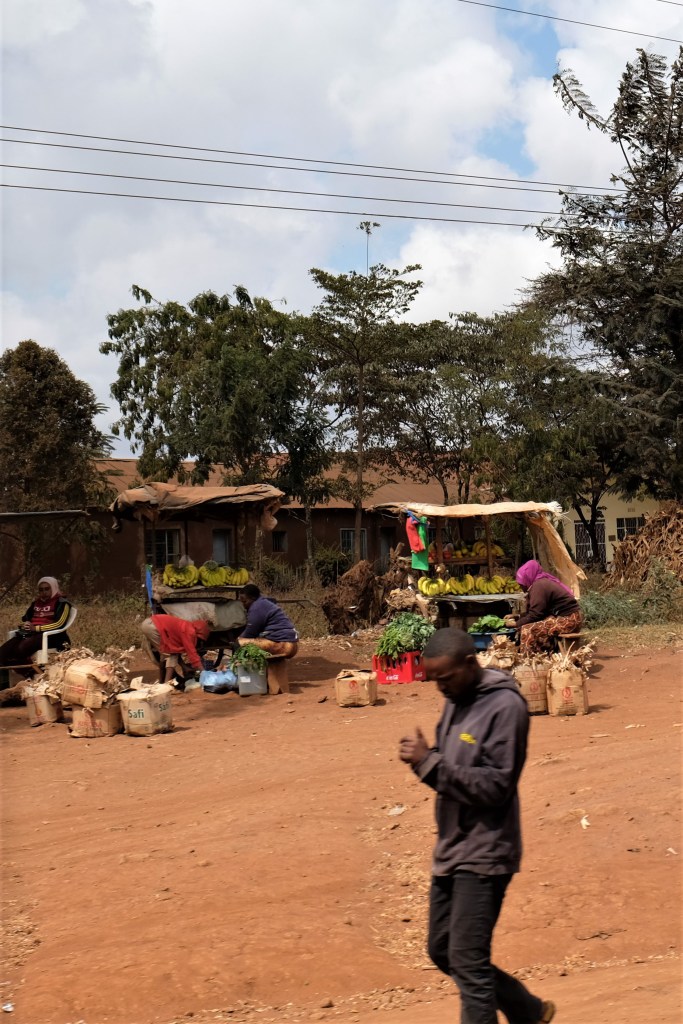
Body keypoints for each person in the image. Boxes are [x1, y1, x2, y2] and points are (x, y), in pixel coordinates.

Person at [399, 628, 556, 1024]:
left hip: (487, 850)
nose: (440, 688)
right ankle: (527, 1011)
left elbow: (497, 785)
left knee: (468, 960)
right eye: (434, 680)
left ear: (470, 663)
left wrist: (429, 764)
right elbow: (456, 761)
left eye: (446, 678)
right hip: (453, 845)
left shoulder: (505, 707)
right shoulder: (457, 697)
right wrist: (428, 758)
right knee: (442, 949)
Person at [0, 577, 72, 680]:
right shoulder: (36, 603)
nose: (44, 592)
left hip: (52, 636)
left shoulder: (62, 603)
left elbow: (60, 624)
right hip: (31, 634)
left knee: (19, 650)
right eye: (41, 590)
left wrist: (36, 628)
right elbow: (26, 617)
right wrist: (26, 624)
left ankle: (33, 673)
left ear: (54, 588)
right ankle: (27, 674)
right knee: (3, 652)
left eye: (47, 589)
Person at [506, 559, 582, 656]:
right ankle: (545, 653)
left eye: (522, 583)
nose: (521, 586)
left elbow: (535, 615)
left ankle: (529, 659)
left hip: (569, 620)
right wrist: (517, 616)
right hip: (564, 617)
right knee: (531, 625)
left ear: (528, 577)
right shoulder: (540, 583)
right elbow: (538, 611)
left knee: (527, 629)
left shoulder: (539, 586)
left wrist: (516, 623)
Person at [140, 613, 214, 686]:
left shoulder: (187, 627)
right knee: (169, 654)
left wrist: (184, 667)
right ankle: (166, 684)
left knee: (166, 655)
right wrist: (203, 672)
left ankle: (161, 681)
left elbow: (176, 651)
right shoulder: (190, 632)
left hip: (150, 624)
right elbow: (192, 654)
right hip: (152, 626)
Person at [237, 584, 298, 658]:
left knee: (239, 643)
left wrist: (236, 639)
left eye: (245, 601)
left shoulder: (257, 607)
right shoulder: (264, 602)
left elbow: (250, 633)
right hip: (292, 645)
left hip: (283, 645)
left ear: (252, 598)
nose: (243, 605)